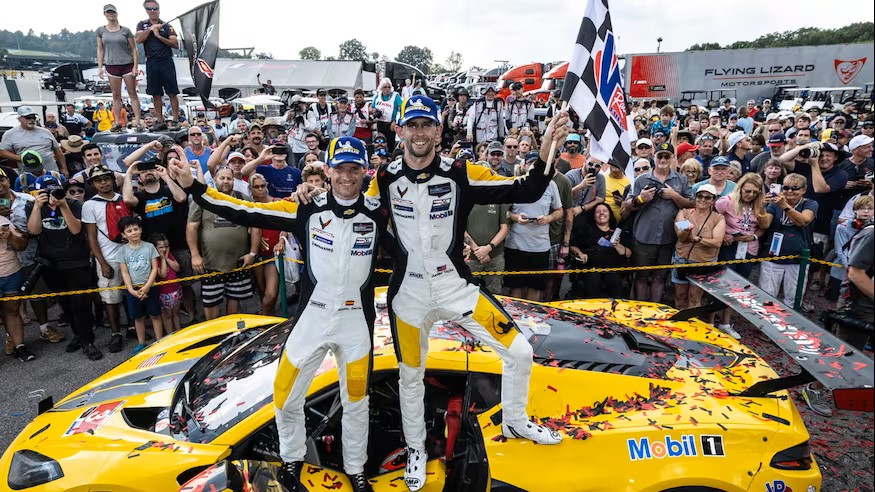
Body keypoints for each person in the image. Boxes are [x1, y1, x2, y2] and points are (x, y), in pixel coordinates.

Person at [332, 95, 568, 490]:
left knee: (520, 351)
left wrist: (547, 147)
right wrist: (312, 198)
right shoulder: (386, 176)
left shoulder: (461, 172)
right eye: (413, 125)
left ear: (439, 131)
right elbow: (353, 208)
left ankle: (515, 421)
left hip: (454, 285)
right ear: (400, 129)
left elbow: (526, 189)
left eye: (427, 125)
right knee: (411, 376)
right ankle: (415, 450)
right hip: (407, 294)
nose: (420, 133)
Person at [169, 135, 386, 492]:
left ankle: (356, 468)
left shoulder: (378, 210)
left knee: (357, 402)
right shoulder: (305, 207)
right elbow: (242, 210)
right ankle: (291, 460)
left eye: (354, 169)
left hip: (356, 324)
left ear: (365, 171)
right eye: (340, 168)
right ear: (327, 171)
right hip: (312, 318)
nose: (347, 176)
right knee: (285, 397)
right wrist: (196, 188)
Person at [26, 175, 102, 360]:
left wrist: (63, 205)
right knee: (66, 304)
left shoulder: (73, 204)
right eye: (46, 191)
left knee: (81, 304)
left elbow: (76, 230)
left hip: (77, 261)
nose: (52, 194)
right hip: (52, 264)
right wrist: (37, 206)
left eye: (55, 190)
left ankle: (88, 341)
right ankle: (78, 335)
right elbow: (34, 230)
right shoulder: (34, 206)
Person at [187, 167, 259, 320]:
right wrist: (195, 255)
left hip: (238, 262)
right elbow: (192, 226)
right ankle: (213, 336)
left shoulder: (243, 198)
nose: (226, 181)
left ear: (233, 180)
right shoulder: (203, 198)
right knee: (211, 302)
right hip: (210, 263)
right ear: (214, 180)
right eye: (222, 178)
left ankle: (230, 335)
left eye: (229, 178)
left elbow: (256, 225)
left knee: (234, 300)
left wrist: (252, 253)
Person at [625, 142, 694, 303]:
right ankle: (639, 309)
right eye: (660, 156)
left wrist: (675, 196)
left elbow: (692, 204)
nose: (663, 159)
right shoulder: (642, 179)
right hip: (644, 236)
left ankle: (655, 309)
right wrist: (641, 199)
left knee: (660, 276)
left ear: (672, 158)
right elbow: (627, 205)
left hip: (668, 237)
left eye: (666, 156)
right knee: (641, 276)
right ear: (653, 157)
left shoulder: (681, 180)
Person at [713, 173, 769, 336]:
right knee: (720, 284)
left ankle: (725, 322)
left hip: (748, 249)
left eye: (755, 192)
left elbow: (764, 225)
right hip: (729, 247)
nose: (750, 195)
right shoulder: (726, 201)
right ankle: (710, 320)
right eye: (747, 191)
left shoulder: (758, 205)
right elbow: (712, 218)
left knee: (737, 287)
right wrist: (722, 235)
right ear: (741, 188)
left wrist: (754, 235)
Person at [81, 165, 128, 353]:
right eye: (99, 180)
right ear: (93, 183)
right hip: (109, 256)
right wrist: (102, 262)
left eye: (107, 178)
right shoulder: (90, 205)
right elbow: (91, 236)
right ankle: (116, 333)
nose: (104, 182)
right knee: (111, 298)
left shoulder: (123, 198)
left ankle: (133, 326)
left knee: (132, 293)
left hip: (130, 254)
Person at [505, 157, 563, 302]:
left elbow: (559, 211)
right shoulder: (515, 183)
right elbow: (504, 212)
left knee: (535, 289)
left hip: (540, 247)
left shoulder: (551, 185)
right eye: (530, 163)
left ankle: (532, 322)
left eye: (536, 165)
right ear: (524, 165)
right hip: (515, 245)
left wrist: (547, 219)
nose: (533, 167)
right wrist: (516, 217)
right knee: (515, 289)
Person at [758, 173, 817, 307]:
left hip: (797, 259)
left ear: (803, 190)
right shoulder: (774, 204)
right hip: (772, 256)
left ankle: (790, 325)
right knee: (767, 297)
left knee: (793, 299)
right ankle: (766, 326)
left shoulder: (810, 203)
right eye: (786, 187)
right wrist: (761, 207)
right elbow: (765, 224)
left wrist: (784, 206)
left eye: (795, 188)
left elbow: (803, 221)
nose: (789, 191)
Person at [671, 184, 726, 311]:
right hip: (682, 259)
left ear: (713, 200)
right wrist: (686, 231)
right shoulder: (683, 212)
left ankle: (693, 325)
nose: (703, 200)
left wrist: (697, 239)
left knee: (694, 297)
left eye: (707, 197)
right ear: (695, 197)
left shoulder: (718, 218)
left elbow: (717, 242)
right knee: (680, 296)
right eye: (700, 196)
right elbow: (681, 236)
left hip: (703, 262)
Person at [116, 216, 163, 354]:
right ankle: (141, 343)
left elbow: (154, 268)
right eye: (129, 231)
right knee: (138, 317)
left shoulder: (149, 247)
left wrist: (148, 286)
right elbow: (124, 273)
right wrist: (131, 290)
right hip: (133, 290)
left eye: (136, 229)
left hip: (151, 287)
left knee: (155, 315)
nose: (134, 232)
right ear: (124, 235)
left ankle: (160, 341)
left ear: (141, 230)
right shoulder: (122, 251)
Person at [568, 202, 631, 298]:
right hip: (591, 268)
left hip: (612, 269)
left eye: (605, 211)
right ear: (594, 216)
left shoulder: (617, 233)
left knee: (614, 281)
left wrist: (617, 245)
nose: (601, 213)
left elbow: (628, 254)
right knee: (593, 280)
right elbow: (573, 245)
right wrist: (580, 253)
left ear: (610, 215)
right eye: (598, 212)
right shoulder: (586, 230)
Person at [97, 4, 142, 131]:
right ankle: (116, 122)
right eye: (108, 13)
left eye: (113, 12)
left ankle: (138, 122)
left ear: (116, 13)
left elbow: (134, 49)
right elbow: (100, 49)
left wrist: (135, 66)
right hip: (111, 65)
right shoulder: (101, 31)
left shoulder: (125, 30)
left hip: (127, 63)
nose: (111, 14)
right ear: (105, 14)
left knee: (132, 93)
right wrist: (100, 67)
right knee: (116, 95)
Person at [136, 0, 180, 130]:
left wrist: (158, 35)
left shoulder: (166, 25)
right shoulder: (142, 24)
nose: (153, 11)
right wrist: (150, 30)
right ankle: (160, 121)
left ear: (159, 9)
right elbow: (138, 39)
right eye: (150, 9)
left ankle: (175, 120)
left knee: (172, 92)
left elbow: (175, 44)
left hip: (166, 61)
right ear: (146, 10)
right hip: (151, 62)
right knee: (156, 93)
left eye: (155, 8)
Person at [0, 214, 33, 361]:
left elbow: (22, 246)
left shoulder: (3, 221)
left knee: (12, 310)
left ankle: (20, 347)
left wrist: (10, 237)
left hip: (11, 272)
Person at [0, 107, 67, 176]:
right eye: (28, 117)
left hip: (51, 172)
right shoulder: (10, 134)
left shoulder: (45, 132)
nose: (32, 120)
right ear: (19, 118)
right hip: (29, 175)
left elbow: (57, 150)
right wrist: (21, 158)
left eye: (33, 117)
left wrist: (64, 168)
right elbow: (2, 152)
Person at [150, 232, 182, 334]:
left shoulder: (170, 255)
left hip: (175, 290)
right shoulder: (154, 260)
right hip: (164, 293)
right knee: (167, 316)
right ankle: (170, 335)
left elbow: (177, 268)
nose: (164, 249)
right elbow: (162, 274)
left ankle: (179, 333)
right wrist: (163, 259)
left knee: (176, 313)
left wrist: (167, 258)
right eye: (160, 247)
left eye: (166, 246)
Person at [371, 78, 402, 151]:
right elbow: (372, 108)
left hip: (390, 123)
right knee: (380, 142)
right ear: (381, 88)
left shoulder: (395, 96)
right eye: (385, 87)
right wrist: (374, 111)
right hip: (380, 122)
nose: (387, 89)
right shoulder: (377, 96)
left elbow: (401, 110)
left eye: (389, 87)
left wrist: (395, 121)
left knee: (390, 143)